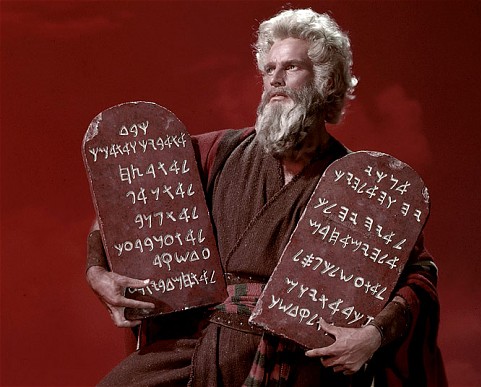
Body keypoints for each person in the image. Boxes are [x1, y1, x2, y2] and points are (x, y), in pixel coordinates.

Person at [86, 8, 446, 387]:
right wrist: (96, 270)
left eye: (291, 67)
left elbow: (419, 274)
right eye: (269, 69)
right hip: (198, 346)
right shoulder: (217, 154)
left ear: (326, 81)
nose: (275, 79)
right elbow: (123, 203)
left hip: (300, 359)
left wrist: (372, 337)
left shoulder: (360, 186)